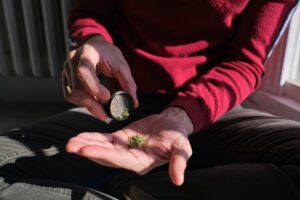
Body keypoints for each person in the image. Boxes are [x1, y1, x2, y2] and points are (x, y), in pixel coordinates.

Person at [1, 0, 300, 199]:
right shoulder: (132, 134)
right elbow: (90, 12)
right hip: (124, 120)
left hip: (209, 111)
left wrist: (181, 117)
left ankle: (133, 189)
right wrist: (93, 41)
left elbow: (246, 62)